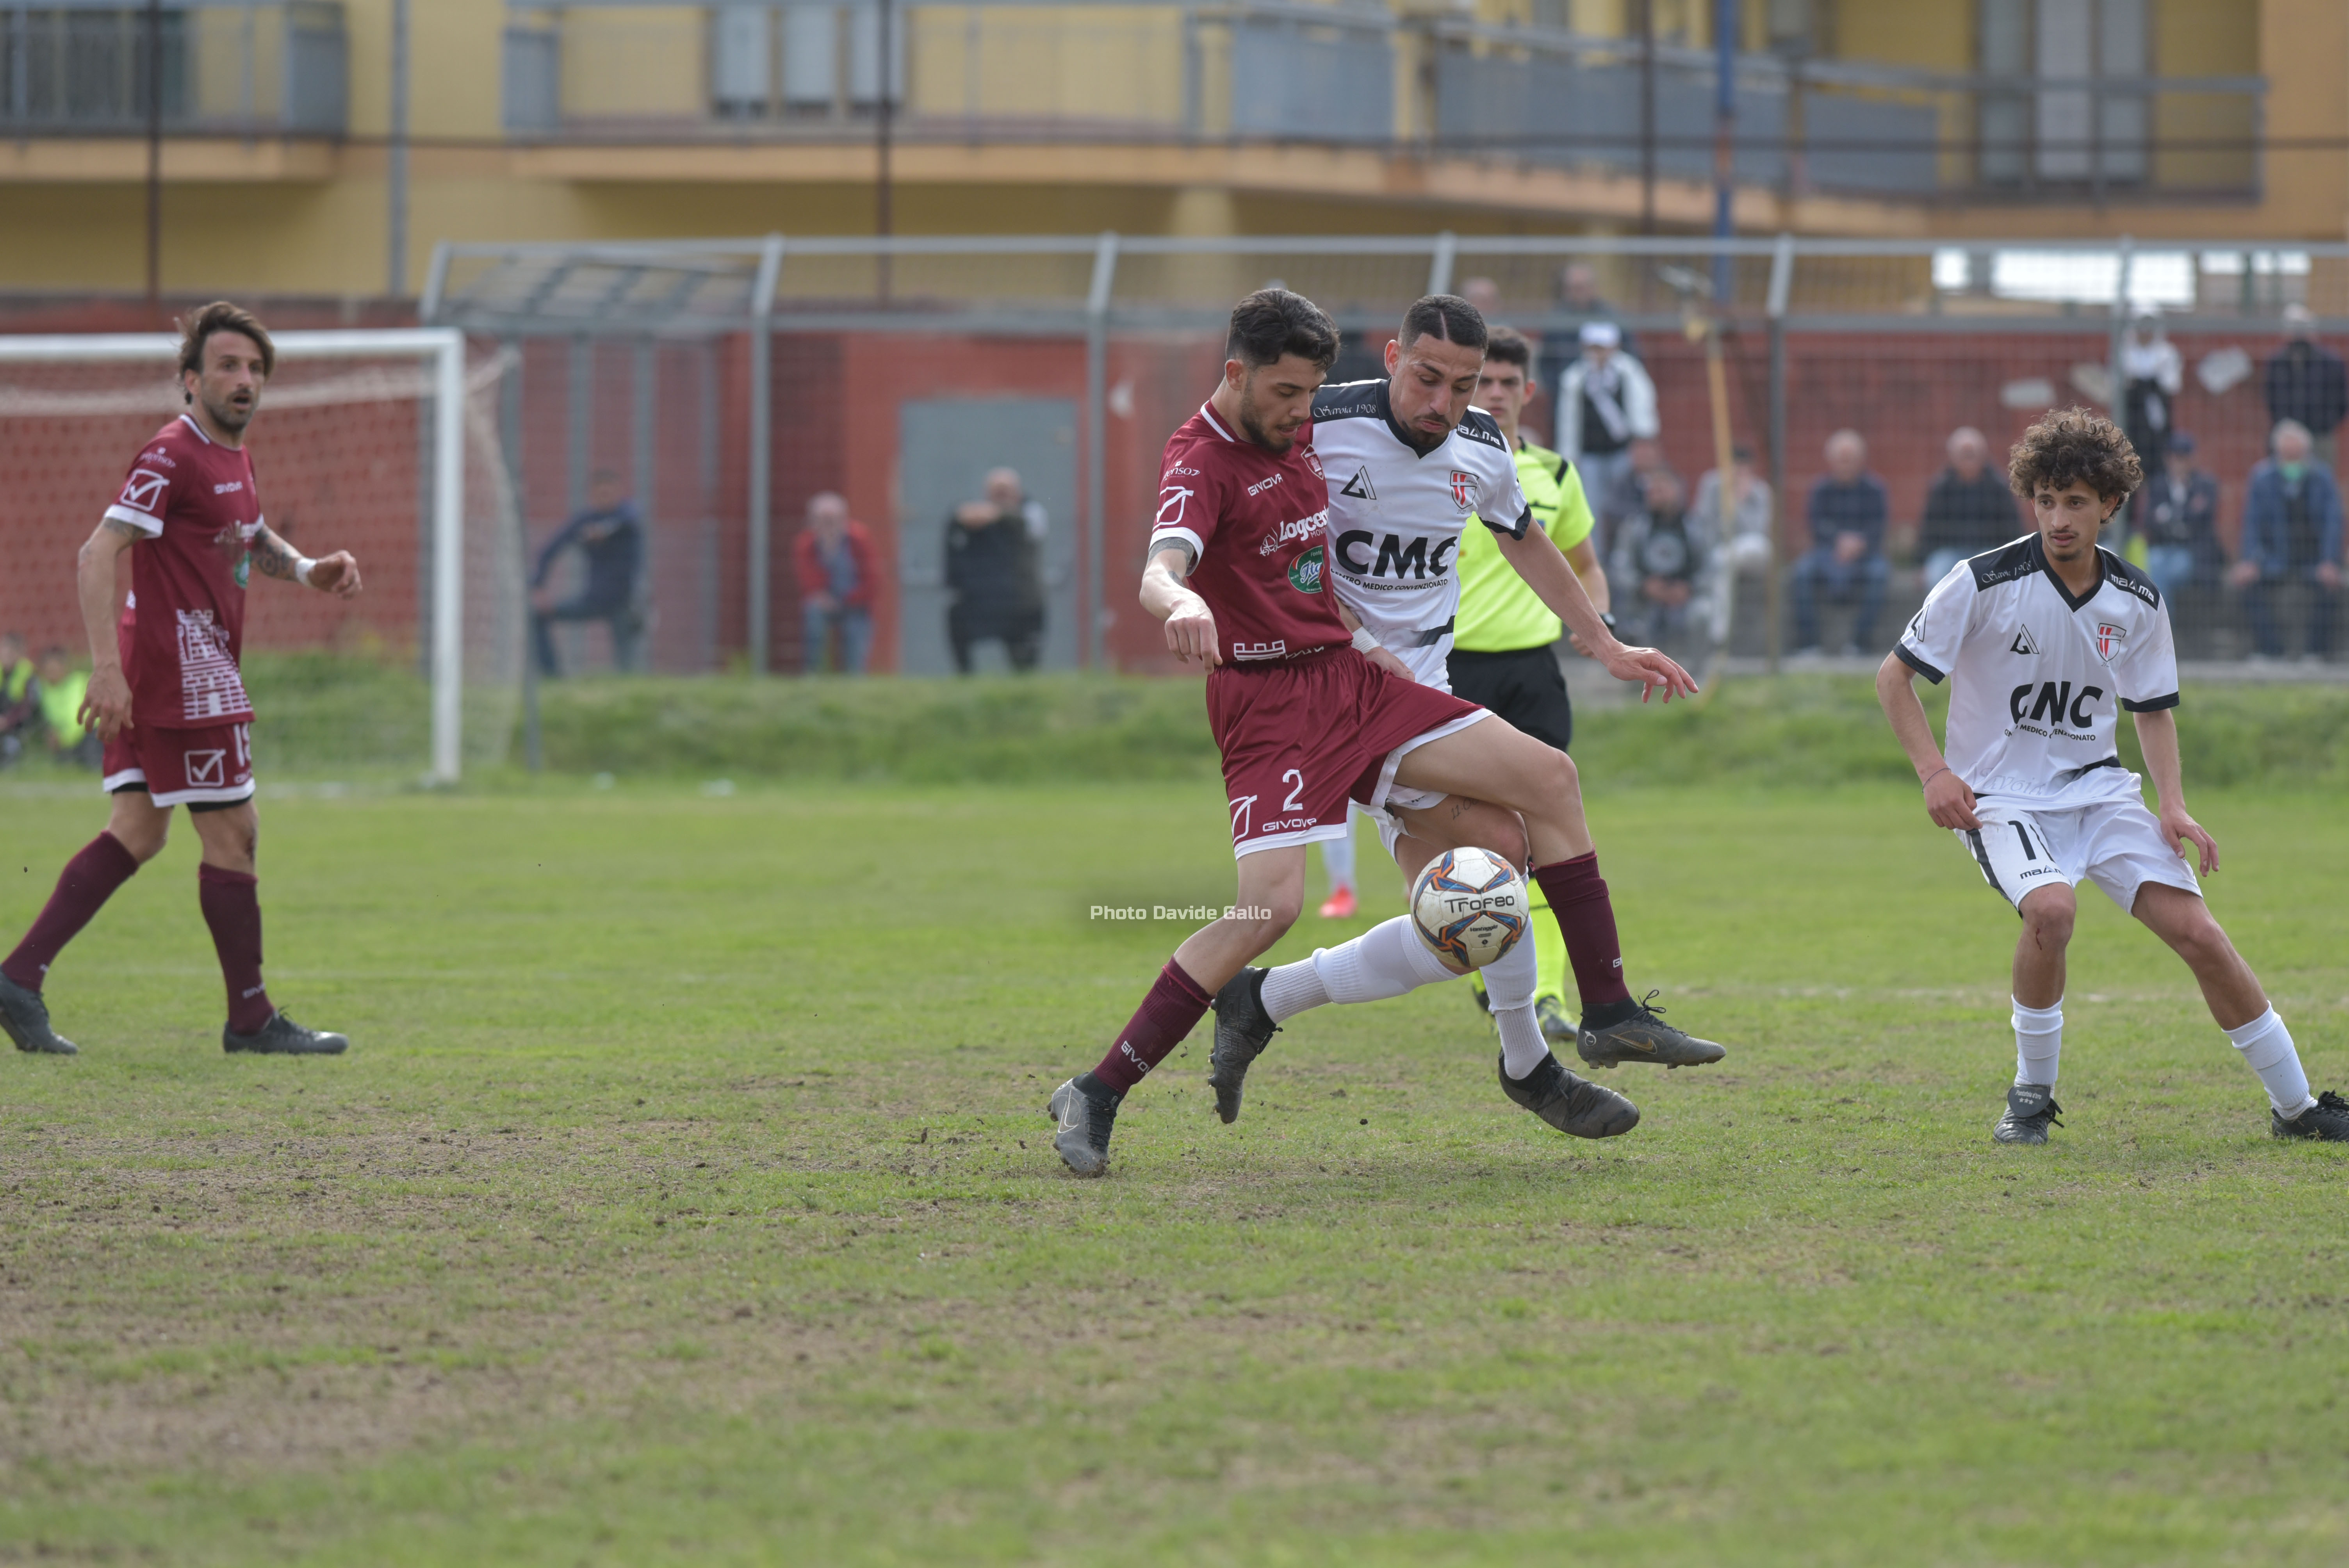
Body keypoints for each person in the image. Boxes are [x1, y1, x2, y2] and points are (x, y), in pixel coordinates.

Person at [1046, 289, 1711, 1177]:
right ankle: (1099, 1087)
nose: (1300, 412)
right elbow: (1163, 567)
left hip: (1361, 683)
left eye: (1467, 385)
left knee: (1516, 832)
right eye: (1287, 394)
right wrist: (1182, 602)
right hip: (1268, 705)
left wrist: (1600, 644)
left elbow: (1323, 571)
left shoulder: (1304, 431)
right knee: (1269, 908)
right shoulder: (1227, 449)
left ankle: (1593, 1018)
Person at [1877, 404, 2347, 1146]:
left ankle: (2297, 1108)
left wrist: (2173, 804)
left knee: (2201, 934)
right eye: (2046, 500)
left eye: (2075, 502)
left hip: (2099, 791)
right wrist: (1934, 772)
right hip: (2001, 798)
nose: (2058, 518)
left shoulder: (2137, 599)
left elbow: (2151, 711)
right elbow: (1893, 679)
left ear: (2111, 505)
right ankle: (2030, 1098)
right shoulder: (1980, 581)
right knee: (2052, 911)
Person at [0, 301, 361, 1059]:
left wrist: (307, 571)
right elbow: (97, 552)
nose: (244, 379)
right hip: (183, 671)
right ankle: (251, 1020)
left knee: (138, 829)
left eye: (254, 368)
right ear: (190, 379)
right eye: (227, 365)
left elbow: (245, 535)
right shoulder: (173, 453)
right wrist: (105, 669)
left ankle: (18, 978)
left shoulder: (234, 457)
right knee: (234, 831)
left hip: (167, 664)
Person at [1444, 323, 1613, 1041]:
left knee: (1542, 837)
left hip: (1533, 673)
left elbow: (1586, 565)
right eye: (1483, 382)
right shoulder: (1439, 464)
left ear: (1528, 391)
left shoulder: (1555, 475)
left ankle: (1545, 996)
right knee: (1477, 843)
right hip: (1452, 672)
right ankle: (1491, 972)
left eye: (1508, 383)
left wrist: (1598, 620)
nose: (1496, 393)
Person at [2228, 419, 2343, 661]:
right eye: (2287, 456)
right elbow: (2252, 523)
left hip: (2314, 559)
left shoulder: (2323, 478)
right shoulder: (2261, 478)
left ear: (2307, 454)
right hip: (2274, 558)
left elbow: (2333, 523)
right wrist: (2250, 561)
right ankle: (2270, 651)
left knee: (2331, 587)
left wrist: (2330, 561)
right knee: (2247, 586)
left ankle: (2315, 653)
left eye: (2297, 456)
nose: (2292, 463)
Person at [1554, 321, 1658, 551]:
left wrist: (1643, 444)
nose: (1599, 354)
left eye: (1603, 348)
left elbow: (1642, 408)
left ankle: (1626, 552)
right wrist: (1569, 456)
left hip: (1623, 452)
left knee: (1627, 506)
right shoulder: (1576, 378)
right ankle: (1597, 557)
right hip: (1590, 455)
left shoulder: (1628, 373)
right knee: (1592, 508)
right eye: (1594, 348)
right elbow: (1568, 421)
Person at [530, 470, 645, 677]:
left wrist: (603, 530)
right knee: (536, 616)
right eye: (601, 494)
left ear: (618, 492)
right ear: (593, 495)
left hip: (625, 602)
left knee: (627, 667)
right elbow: (550, 550)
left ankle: (628, 689)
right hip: (594, 599)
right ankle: (552, 678)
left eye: (609, 493)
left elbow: (627, 519)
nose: (605, 498)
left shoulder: (628, 514)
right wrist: (538, 586)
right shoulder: (585, 520)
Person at [1791, 429, 1891, 656]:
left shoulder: (1875, 489)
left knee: (1880, 574)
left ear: (1861, 460)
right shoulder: (1820, 489)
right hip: (1826, 553)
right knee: (1801, 573)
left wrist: (1859, 543)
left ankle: (1860, 644)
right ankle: (1809, 644)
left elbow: (1879, 526)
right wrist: (1838, 541)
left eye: (1850, 459)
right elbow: (1815, 524)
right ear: (1832, 460)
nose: (1846, 464)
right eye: (1842, 459)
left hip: (1866, 554)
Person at [944, 467, 1045, 674]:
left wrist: (995, 514)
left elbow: (1025, 524)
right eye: (997, 492)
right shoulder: (976, 519)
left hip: (1022, 601)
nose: (1002, 497)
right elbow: (958, 523)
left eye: (1006, 491)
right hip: (982, 600)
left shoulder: (1033, 512)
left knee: (1024, 663)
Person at [1609, 467, 1714, 656]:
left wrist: (1689, 588)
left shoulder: (1696, 529)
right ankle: (1641, 671)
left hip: (1687, 597)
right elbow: (1620, 566)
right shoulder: (1634, 528)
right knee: (1632, 621)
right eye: (1652, 491)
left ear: (1677, 492)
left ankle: (1696, 671)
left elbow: (1710, 567)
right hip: (1643, 599)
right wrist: (1643, 585)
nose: (1655, 496)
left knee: (1703, 614)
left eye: (1661, 490)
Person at [1920, 426, 2025, 585]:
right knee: (1936, 575)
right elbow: (1929, 528)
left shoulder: (1998, 487)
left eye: (1972, 455)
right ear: (1953, 457)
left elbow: (2013, 527)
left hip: (1989, 551)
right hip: (1950, 552)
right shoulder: (1941, 488)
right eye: (1964, 455)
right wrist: (1922, 564)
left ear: (1983, 455)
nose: (1968, 460)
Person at [791, 491, 876, 674]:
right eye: (822, 519)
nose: (827, 525)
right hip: (824, 601)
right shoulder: (807, 544)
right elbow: (807, 577)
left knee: (855, 631)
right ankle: (813, 674)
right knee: (813, 615)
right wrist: (822, 595)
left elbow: (872, 579)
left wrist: (849, 600)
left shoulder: (859, 540)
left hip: (855, 602)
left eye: (832, 519)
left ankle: (855, 677)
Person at [2137, 430, 2221, 605]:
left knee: (2170, 571)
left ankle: (2159, 621)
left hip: (2191, 550)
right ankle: (2162, 620)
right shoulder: (2158, 485)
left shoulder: (2204, 484)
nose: (2178, 463)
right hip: (2163, 546)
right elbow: (2149, 522)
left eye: (2183, 458)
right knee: (2155, 564)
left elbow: (2202, 519)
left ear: (2191, 459)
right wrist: (2185, 513)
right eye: (2174, 457)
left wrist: (2171, 515)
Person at [2263, 304, 2347, 471]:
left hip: (2320, 436)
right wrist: (2287, 429)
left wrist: (2324, 423)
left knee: (2321, 479)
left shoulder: (2331, 363)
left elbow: (2342, 402)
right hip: (2286, 437)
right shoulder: (2277, 363)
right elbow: (2271, 399)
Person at [2117, 310, 2181, 480]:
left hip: (2156, 418)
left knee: (2157, 462)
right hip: (2132, 415)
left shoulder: (2167, 353)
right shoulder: (2124, 353)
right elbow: (2119, 383)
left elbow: (2172, 384)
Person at [1693, 444, 1773, 576]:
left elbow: (1757, 532)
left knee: (1760, 547)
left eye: (1744, 467)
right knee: (1724, 564)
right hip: (1716, 547)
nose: (1738, 472)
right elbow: (1703, 521)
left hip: (1749, 550)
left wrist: (1740, 503)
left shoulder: (1760, 491)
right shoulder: (1712, 485)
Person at [34, 648, 98, 769]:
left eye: (55, 669)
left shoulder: (77, 684)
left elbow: (78, 720)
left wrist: (62, 739)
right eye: (49, 670)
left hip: (90, 732)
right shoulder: (44, 689)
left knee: (91, 761)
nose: (52, 673)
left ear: (64, 667)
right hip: (66, 738)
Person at [0, 632, 34, 766]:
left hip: (18, 726)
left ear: (20, 653)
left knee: (10, 748)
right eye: (4, 649)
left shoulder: (28, 673)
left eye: (11, 651)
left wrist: (7, 721)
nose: (6, 654)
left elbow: (28, 706)